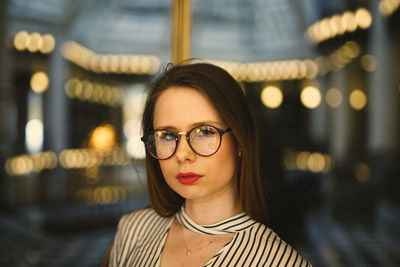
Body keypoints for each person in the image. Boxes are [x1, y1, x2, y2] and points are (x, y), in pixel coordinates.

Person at [108, 62, 311, 266]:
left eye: (205, 132)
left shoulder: (277, 261)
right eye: (167, 135)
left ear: (240, 140)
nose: (182, 154)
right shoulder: (133, 231)